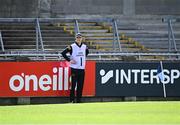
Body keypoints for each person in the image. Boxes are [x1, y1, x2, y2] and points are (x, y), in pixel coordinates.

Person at [61, 33, 89, 103]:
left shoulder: (84, 46)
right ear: (75, 39)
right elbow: (63, 53)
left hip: (82, 69)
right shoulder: (72, 46)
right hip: (74, 69)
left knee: (80, 86)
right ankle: (72, 100)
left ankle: (79, 100)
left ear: (82, 38)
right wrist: (70, 60)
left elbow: (87, 52)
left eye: (80, 38)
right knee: (73, 85)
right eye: (77, 38)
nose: (79, 39)